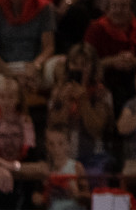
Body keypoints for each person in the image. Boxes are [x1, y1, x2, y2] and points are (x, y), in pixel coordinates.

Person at [46, 42, 115, 177]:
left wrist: (83, 100)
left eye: (84, 64)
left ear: (93, 67)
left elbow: (96, 130)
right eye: (74, 64)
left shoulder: (102, 94)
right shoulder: (58, 92)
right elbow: (53, 126)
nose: (79, 69)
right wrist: (65, 102)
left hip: (94, 157)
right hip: (62, 158)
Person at [84, 0, 136, 115]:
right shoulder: (95, 29)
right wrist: (112, 61)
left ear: (131, 9)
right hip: (105, 77)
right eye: (114, 6)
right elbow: (86, 62)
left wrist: (135, 62)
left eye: (123, 6)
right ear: (108, 8)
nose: (118, 10)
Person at [0, 0, 56, 104]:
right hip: (5, 67)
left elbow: (49, 47)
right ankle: (5, 119)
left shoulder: (44, 8)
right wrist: (13, 75)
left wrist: (36, 65)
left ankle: (58, 115)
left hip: (35, 65)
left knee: (62, 65)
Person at [34, 123, 90, 210]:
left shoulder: (76, 167)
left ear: (68, 145)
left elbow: (88, 197)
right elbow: (38, 198)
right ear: (46, 146)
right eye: (51, 144)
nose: (56, 148)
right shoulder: (44, 169)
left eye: (60, 143)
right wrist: (39, 199)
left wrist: (76, 195)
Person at [0, 75, 37, 151]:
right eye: (2, 97)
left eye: (11, 97)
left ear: (18, 99)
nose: (6, 102)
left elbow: (30, 144)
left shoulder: (25, 120)